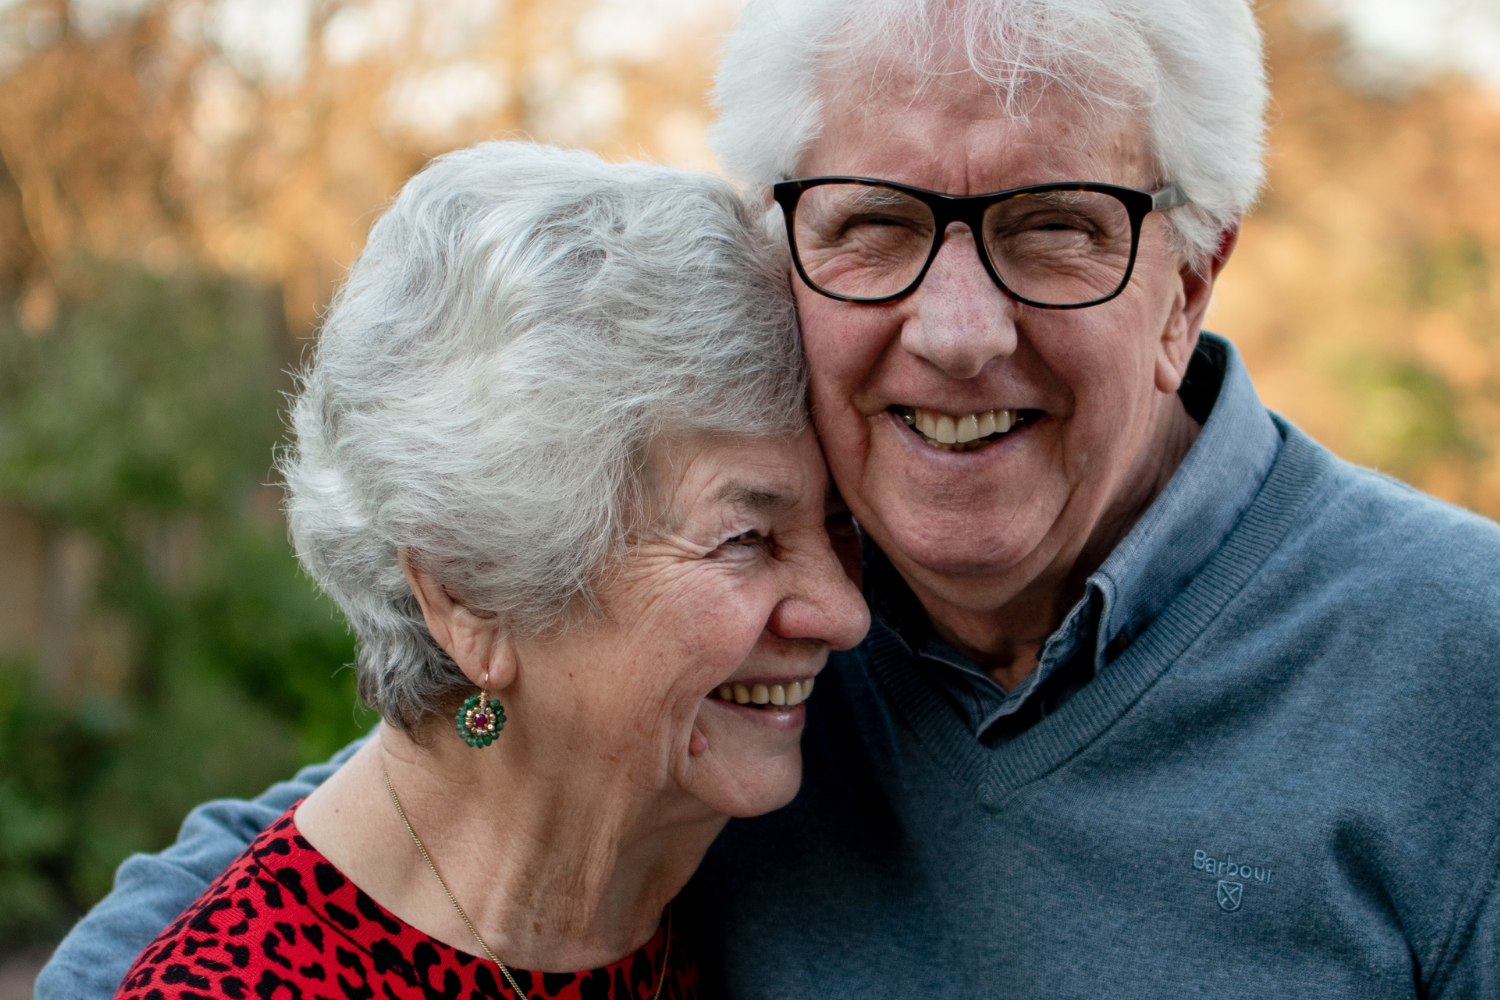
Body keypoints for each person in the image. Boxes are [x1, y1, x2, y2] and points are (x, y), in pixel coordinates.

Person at [38, 0, 1500, 997]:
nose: (957, 332)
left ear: (1193, 275)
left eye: (1057, 229)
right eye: (877, 222)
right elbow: (428, 795)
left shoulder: (1459, 666)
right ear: (789, 237)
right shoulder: (766, 658)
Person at [106, 141, 868, 1000]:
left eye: (840, 527)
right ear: (469, 593)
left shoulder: (721, 887)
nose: (845, 614)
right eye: (745, 539)